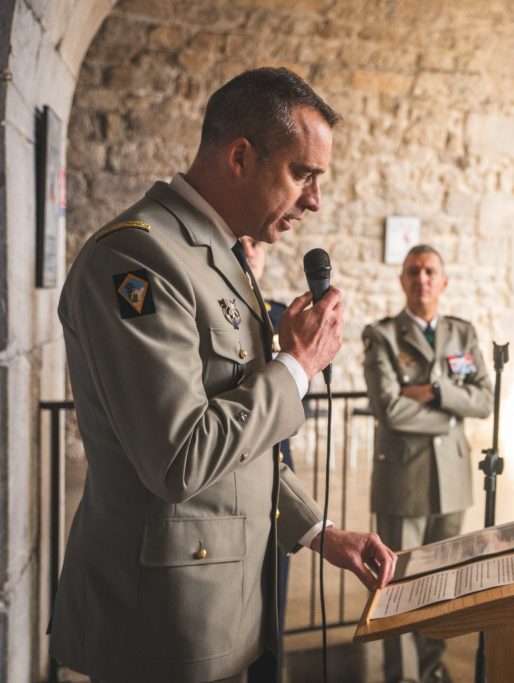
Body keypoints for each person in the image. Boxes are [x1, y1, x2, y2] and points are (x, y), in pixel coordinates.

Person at [49, 67, 397, 683]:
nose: (314, 200)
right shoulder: (138, 256)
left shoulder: (221, 256)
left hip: (228, 602)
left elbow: (242, 451)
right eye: (302, 173)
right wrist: (297, 365)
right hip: (164, 624)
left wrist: (319, 532)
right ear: (240, 156)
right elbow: (180, 457)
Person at [362, 244, 493, 683]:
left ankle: (434, 671)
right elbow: (390, 410)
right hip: (404, 478)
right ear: (402, 281)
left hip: (452, 479)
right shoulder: (382, 336)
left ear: (444, 281)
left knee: (442, 583)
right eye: (413, 272)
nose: (422, 279)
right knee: (396, 585)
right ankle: (404, 678)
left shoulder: (463, 333)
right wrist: (454, 411)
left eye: (430, 271)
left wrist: (435, 393)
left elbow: (486, 400)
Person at [239, 235, 296, 683]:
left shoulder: (281, 316)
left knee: (272, 597)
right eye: (239, 241)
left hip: (275, 461)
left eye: (255, 242)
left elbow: (298, 406)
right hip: (224, 461)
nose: (246, 247)